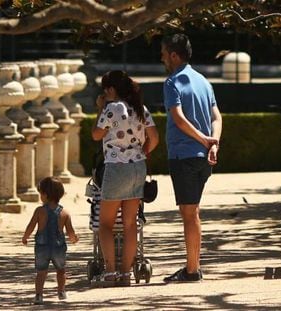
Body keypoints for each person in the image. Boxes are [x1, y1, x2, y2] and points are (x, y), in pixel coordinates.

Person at [160, 33, 222, 282]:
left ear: (174, 55)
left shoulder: (172, 82)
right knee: (192, 211)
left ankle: (192, 270)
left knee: (189, 213)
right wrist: (212, 142)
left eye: (164, 53)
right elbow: (217, 117)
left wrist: (205, 140)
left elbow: (178, 119)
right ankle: (192, 266)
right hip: (203, 156)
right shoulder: (203, 81)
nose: (162, 57)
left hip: (184, 155)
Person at [91, 70, 159, 286]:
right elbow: (154, 138)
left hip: (116, 168)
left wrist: (100, 108)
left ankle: (110, 272)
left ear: (111, 90)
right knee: (131, 225)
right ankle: (125, 274)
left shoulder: (111, 108)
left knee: (106, 224)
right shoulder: (140, 109)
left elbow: (96, 134)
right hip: (137, 167)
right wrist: (141, 152)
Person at [22, 176, 79, 304]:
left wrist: (25, 237)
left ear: (45, 195)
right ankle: (61, 292)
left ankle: (38, 295)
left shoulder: (39, 211)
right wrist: (74, 239)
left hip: (42, 247)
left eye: (41, 193)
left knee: (41, 272)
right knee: (61, 271)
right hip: (59, 248)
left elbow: (31, 226)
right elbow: (70, 232)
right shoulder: (65, 213)